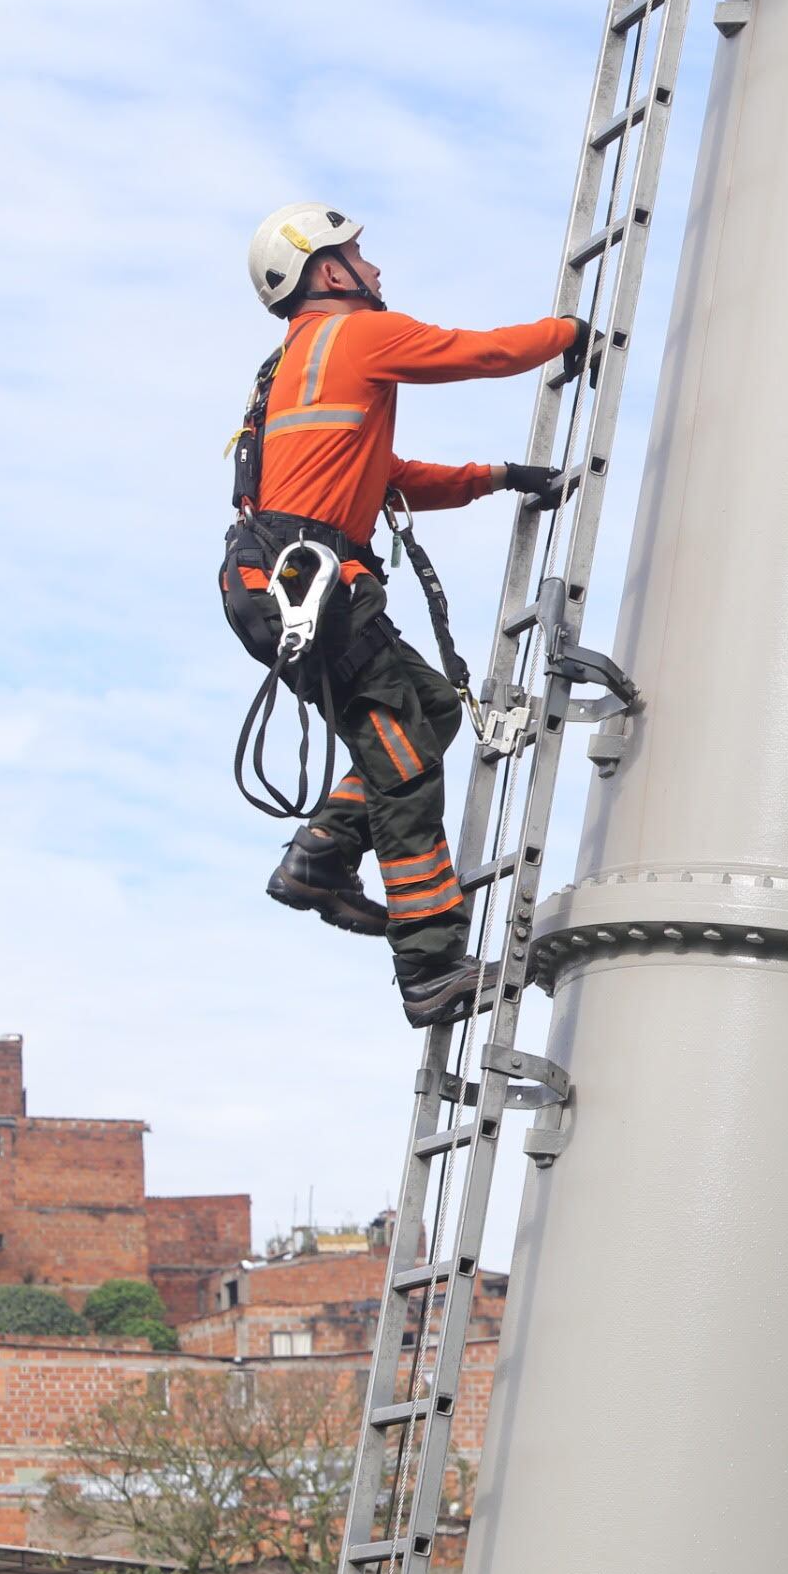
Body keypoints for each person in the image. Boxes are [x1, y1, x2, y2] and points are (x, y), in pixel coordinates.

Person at [224, 203, 586, 1026]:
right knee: (406, 768)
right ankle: (429, 967)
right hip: (313, 587)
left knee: (426, 713)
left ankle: (319, 861)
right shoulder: (355, 337)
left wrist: (493, 477)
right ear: (327, 271)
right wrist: (569, 332)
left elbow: (384, 474)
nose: (375, 268)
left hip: (293, 585)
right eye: (359, 254)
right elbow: (479, 352)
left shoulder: (292, 364)